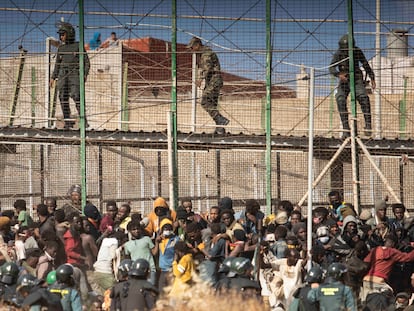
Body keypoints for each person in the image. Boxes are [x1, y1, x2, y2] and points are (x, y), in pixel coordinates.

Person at [329, 34, 376, 137]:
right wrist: (339, 74)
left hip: (356, 78)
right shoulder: (338, 53)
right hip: (344, 80)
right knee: (340, 98)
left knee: (363, 97)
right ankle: (346, 128)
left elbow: (365, 64)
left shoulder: (357, 51)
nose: (345, 52)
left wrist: (372, 77)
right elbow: (331, 67)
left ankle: (368, 125)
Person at [50, 22, 90, 129]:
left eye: (63, 34)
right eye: (60, 35)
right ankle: (67, 121)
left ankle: (83, 120)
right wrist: (53, 77)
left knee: (77, 96)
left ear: (69, 34)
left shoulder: (78, 46)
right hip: (63, 74)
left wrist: (85, 74)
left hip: (74, 73)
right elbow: (57, 64)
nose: (61, 37)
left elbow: (86, 62)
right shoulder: (61, 48)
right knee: (62, 96)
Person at [186, 36, 229, 135]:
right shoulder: (204, 53)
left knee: (205, 102)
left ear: (197, 45)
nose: (191, 50)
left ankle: (221, 120)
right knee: (212, 105)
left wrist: (200, 79)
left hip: (214, 80)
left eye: (192, 47)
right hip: (212, 81)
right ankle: (220, 128)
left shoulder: (206, 54)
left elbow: (207, 68)